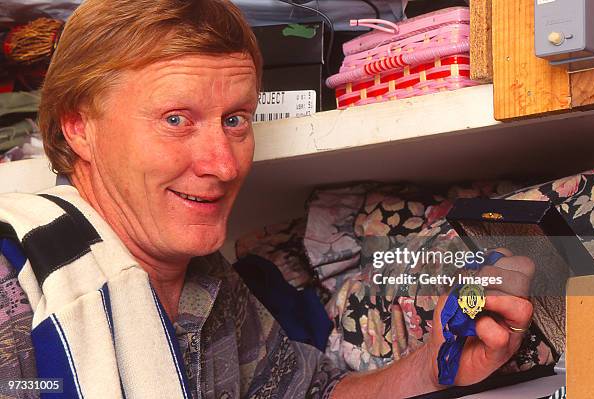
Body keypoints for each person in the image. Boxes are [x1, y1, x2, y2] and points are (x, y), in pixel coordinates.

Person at [0, 0, 534, 398]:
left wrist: (436, 361)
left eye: (235, 120)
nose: (224, 165)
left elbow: (311, 396)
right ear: (78, 127)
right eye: (176, 120)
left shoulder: (206, 282)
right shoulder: (15, 279)